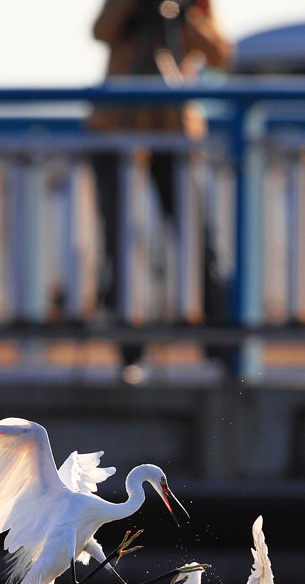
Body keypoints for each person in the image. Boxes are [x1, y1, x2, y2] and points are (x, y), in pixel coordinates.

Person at [89, 0, 232, 382]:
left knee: (200, 244)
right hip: (118, 130)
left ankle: (221, 348)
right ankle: (130, 353)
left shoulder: (193, 4)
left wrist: (185, 18)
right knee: (122, 244)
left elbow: (220, 54)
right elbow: (101, 31)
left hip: (173, 133)